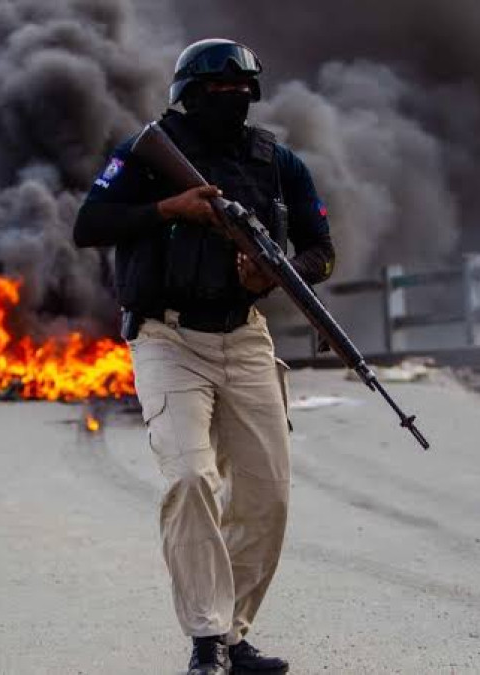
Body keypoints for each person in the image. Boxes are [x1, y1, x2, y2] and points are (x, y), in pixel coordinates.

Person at [74, 39, 335, 675]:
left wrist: (272, 275)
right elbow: (89, 225)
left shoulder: (278, 163)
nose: (233, 99)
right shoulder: (148, 153)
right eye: (218, 90)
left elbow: (321, 251)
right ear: (189, 95)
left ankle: (234, 632)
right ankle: (207, 638)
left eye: (242, 90)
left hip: (244, 337)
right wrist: (171, 208)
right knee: (191, 479)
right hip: (167, 339)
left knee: (267, 497)